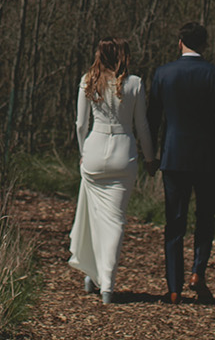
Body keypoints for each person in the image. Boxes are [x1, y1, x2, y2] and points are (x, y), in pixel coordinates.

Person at [146, 20, 215, 304]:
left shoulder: (163, 74)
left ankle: (174, 287)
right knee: (205, 218)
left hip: (173, 157)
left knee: (174, 222)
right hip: (207, 158)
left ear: (180, 42)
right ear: (204, 44)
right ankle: (198, 271)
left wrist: (150, 157)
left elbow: (153, 119)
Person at [68, 36, 154, 305]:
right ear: (123, 55)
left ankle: (91, 275)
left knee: (93, 217)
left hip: (94, 152)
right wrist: (150, 158)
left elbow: (81, 124)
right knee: (115, 220)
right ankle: (107, 282)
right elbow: (142, 127)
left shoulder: (88, 80)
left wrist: (83, 153)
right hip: (122, 154)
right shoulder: (134, 84)